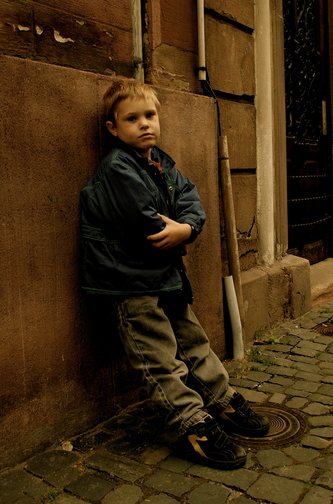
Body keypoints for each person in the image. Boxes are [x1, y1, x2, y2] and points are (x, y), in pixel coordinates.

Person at [80, 78, 269, 469]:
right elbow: (145, 224)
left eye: (150, 115)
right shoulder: (117, 167)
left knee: (194, 340)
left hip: (165, 276)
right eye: (132, 118)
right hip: (129, 283)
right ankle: (191, 423)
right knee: (160, 357)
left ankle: (220, 399)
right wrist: (175, 230)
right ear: (113, 128)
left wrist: (186, 228)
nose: (144, 124)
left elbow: (191, 199)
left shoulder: (162, 163)